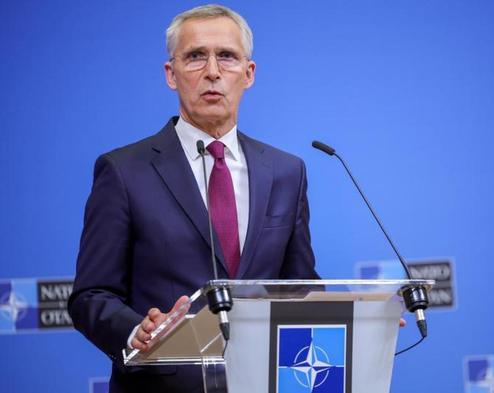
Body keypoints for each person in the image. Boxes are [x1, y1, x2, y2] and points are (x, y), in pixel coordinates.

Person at [68, 4, 320, 393]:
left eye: (227, 57)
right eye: (196, 56)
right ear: (171, 74)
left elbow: (298, 285)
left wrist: (362, 320)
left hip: (263, 381)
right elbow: (91, 295)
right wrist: (136, 330)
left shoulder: (287, 172)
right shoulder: (123, 171)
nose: (213, 71)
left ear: (248, 74)